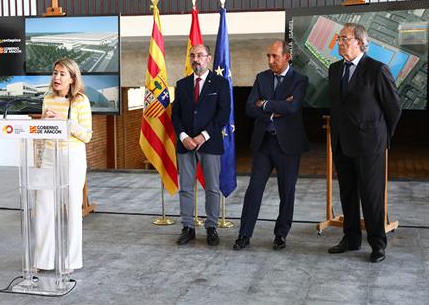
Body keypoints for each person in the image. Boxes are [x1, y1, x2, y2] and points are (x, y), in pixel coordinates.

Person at [327, 23, 401, 263]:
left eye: (344, 39)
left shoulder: (377, 70)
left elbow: (393, 107)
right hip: (341, 143)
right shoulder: (335, 69)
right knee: (347, 194)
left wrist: (382, 135)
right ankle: (350, 239)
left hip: (370, 145)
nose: (339, 42)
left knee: (372, 197)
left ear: (359, 42)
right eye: (339, 39)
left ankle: (378, 244)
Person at [233, 40, 309, 251]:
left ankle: (281, 234)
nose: (270, 60)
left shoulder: (299, 79)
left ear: (287, 57)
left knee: (287, 192)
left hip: (288, 146)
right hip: (264, 144)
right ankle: (244, 234)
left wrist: (265, 104)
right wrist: (277, 108)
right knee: (254, 190)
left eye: (275, 56)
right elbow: (249, 107)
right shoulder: (261, 78)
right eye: (268, 56)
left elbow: (293, 107)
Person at [35, 58, 93, 271]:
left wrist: (65, 121)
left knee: (72, 209)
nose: (56, 77)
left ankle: (72, 261)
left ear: (72, 78)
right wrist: (43, 123)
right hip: (50, 155)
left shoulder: (80, 101)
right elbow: (44, 130)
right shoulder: (47, 98)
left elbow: (87, 135)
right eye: (55, 72)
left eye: (62, 74)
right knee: (43, 207)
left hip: (72, 157)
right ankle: (43, 260)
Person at [172, 44, 231, 246]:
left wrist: (202, 136)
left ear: (208, 58)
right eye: (192, 56)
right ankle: (187, 227)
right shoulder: (181, 84)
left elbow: (223, 114)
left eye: (200, 55)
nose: (196, 59)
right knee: (186, 188)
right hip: (185, 144)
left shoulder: (221, 84)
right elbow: (176, 115)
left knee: (212, 188)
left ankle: (211, 227)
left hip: (210, 143)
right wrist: (183, 136)